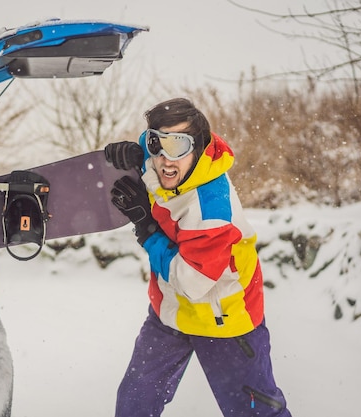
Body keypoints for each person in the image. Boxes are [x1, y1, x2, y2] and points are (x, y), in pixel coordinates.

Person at [104, 98, 291, 417]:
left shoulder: (211, 212)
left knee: (255, 412)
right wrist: (137, 151)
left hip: (224, 317)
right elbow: (161, 149)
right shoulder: (167, 161)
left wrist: (147, 229)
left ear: (201, 148)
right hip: (171, 311)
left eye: (177, 145)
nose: (164, 159)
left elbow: (193, 282)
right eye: (155, 143)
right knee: (135, 403)